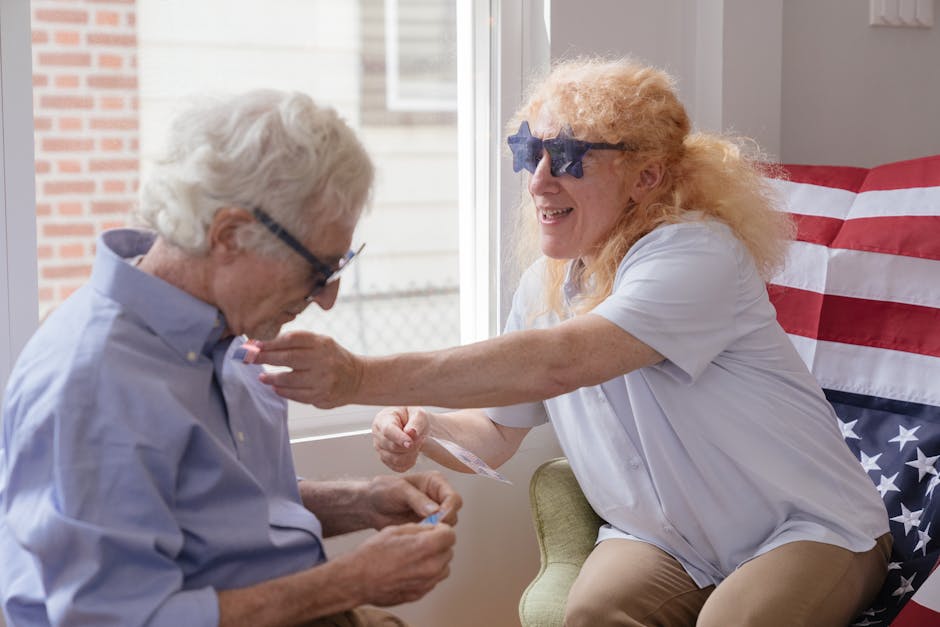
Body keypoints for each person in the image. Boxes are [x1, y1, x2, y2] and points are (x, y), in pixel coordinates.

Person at [251, 58, 893, 627]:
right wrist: (426, 427)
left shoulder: (696, 252)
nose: (538, 181)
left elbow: (561, 362)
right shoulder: (544, 285)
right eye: (531, 153)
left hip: (804, 528)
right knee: (592, 613)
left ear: (647, 177)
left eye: (572, 158)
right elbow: (496, 435)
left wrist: (361, 379)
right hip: (671, 540)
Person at [0, 90, 461, 627]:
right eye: (320, 270)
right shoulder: (94, 382)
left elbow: (221, 511)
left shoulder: (222, 333)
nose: (328, 299)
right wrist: (348, 582)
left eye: (340, 268)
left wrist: (363, 502)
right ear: (228, 234)